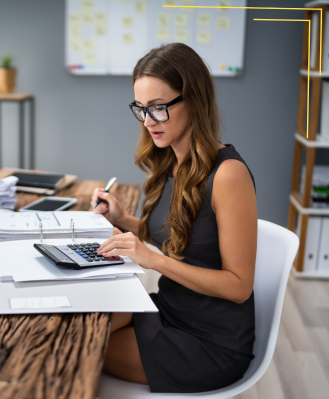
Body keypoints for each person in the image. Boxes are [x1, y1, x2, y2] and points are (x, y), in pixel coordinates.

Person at [91, 42, 257, 393]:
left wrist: (153, 261)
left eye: (159, 108)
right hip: (170, 309)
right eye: (141, 109)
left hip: (210, 342)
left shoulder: (228, 174)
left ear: (194, 99)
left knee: (82, 348)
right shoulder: (172, 161)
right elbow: (186, 238)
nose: (149, 121)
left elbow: (239, 286)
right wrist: (125, 221)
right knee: (80, 324)